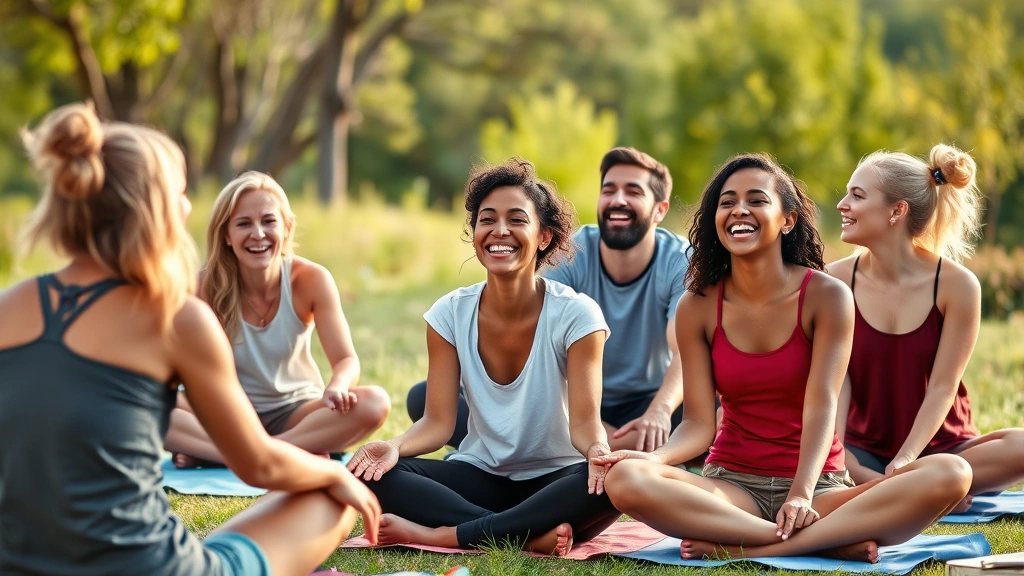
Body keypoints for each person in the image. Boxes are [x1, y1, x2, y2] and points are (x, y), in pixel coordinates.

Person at [0, 102, 380, 576]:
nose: (186, 207)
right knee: (329, 495)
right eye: (181, 193)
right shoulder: (175, 316)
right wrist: (335, 473)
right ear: (154, 208)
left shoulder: (7, 306)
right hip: (153, 567)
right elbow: (259, 465)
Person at [595, 153, 972, 561]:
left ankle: (740, 547)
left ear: (787, 219)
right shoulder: (697, 306)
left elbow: (823, 404)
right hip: (731, 487)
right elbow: (699, 424)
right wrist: (654, 458)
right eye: (727, 202)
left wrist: (801, 494)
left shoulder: (827, 296)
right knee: (627, 478)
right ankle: (818, 541)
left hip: (820, 488)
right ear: (715, 220)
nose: (739, 210)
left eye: (756, 199)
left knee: (953, 472)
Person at [346, 158, 621, 556]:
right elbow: (438, 423)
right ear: (474, 233)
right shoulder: (448, 314)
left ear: (544, 236)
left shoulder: (578, 315)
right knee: (373, 474)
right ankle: (525, 535)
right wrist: (395, 445)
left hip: (557, 479)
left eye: (517, 219)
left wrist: (598, 452)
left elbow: (584, 424)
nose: (500, 231)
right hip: (481, 474)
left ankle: (444, 534)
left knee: (617, 479)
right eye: (487, 219)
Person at [407, 147, 690, 452]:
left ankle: (625, 449)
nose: (617, 200)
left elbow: (686, 350)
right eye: (608, 190)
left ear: (660, 210)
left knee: (711, 410)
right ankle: (611, 449)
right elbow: (535, 325)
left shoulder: (678, 259)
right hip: (572, 399)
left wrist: (659, 413)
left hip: (648, 402)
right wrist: (589, 431)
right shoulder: (576, 251)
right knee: (425, 397)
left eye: (632, 191)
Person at [831, 144, 1024, 503]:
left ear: (896, 211)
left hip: (944, 448)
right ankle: (912, 492)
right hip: (862, 451)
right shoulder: (834, 282)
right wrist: (837, 461)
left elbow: (942, 387)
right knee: (824, 454)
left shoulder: (958, 285)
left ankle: (910, 488)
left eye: (856, 196)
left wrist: (906, 461)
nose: (842, 205)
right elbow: (836, 385)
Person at [163, 171, 390, 468]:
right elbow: (174, 369)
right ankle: (282, 452)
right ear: (226, 235)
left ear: (286, 227)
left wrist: (338, 384)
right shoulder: (201, 287)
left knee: (375, 402)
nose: (258, 233)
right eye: (244, 223)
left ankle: (238, 454)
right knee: (144, 403)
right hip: (227, 413)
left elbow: (347, 360)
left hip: (296, 414)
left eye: (268, 221)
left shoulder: (311, 279)